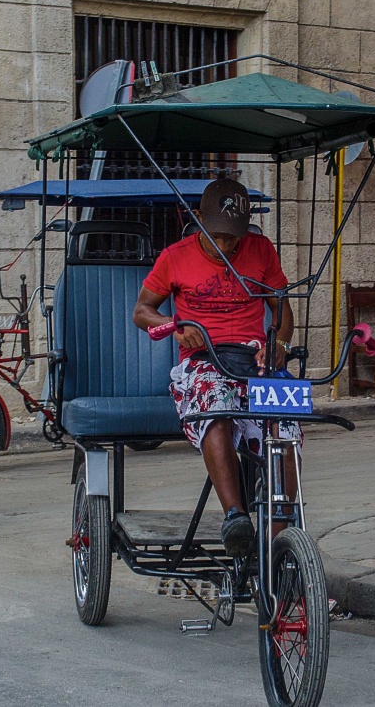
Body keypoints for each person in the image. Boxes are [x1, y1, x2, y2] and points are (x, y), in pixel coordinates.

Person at [132, 178, 297, 558]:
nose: (226, 246)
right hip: (203, 361)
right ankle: (235, 517)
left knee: (285, 427)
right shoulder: (176, 256)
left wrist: (280, 345)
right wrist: (176, 326)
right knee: (216, 408)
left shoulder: (261, 250)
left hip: (253, 359)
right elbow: (142, 312)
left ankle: (280, 536)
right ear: (199, 221)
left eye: (233, 239)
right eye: (218, 237)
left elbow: (280, 307)